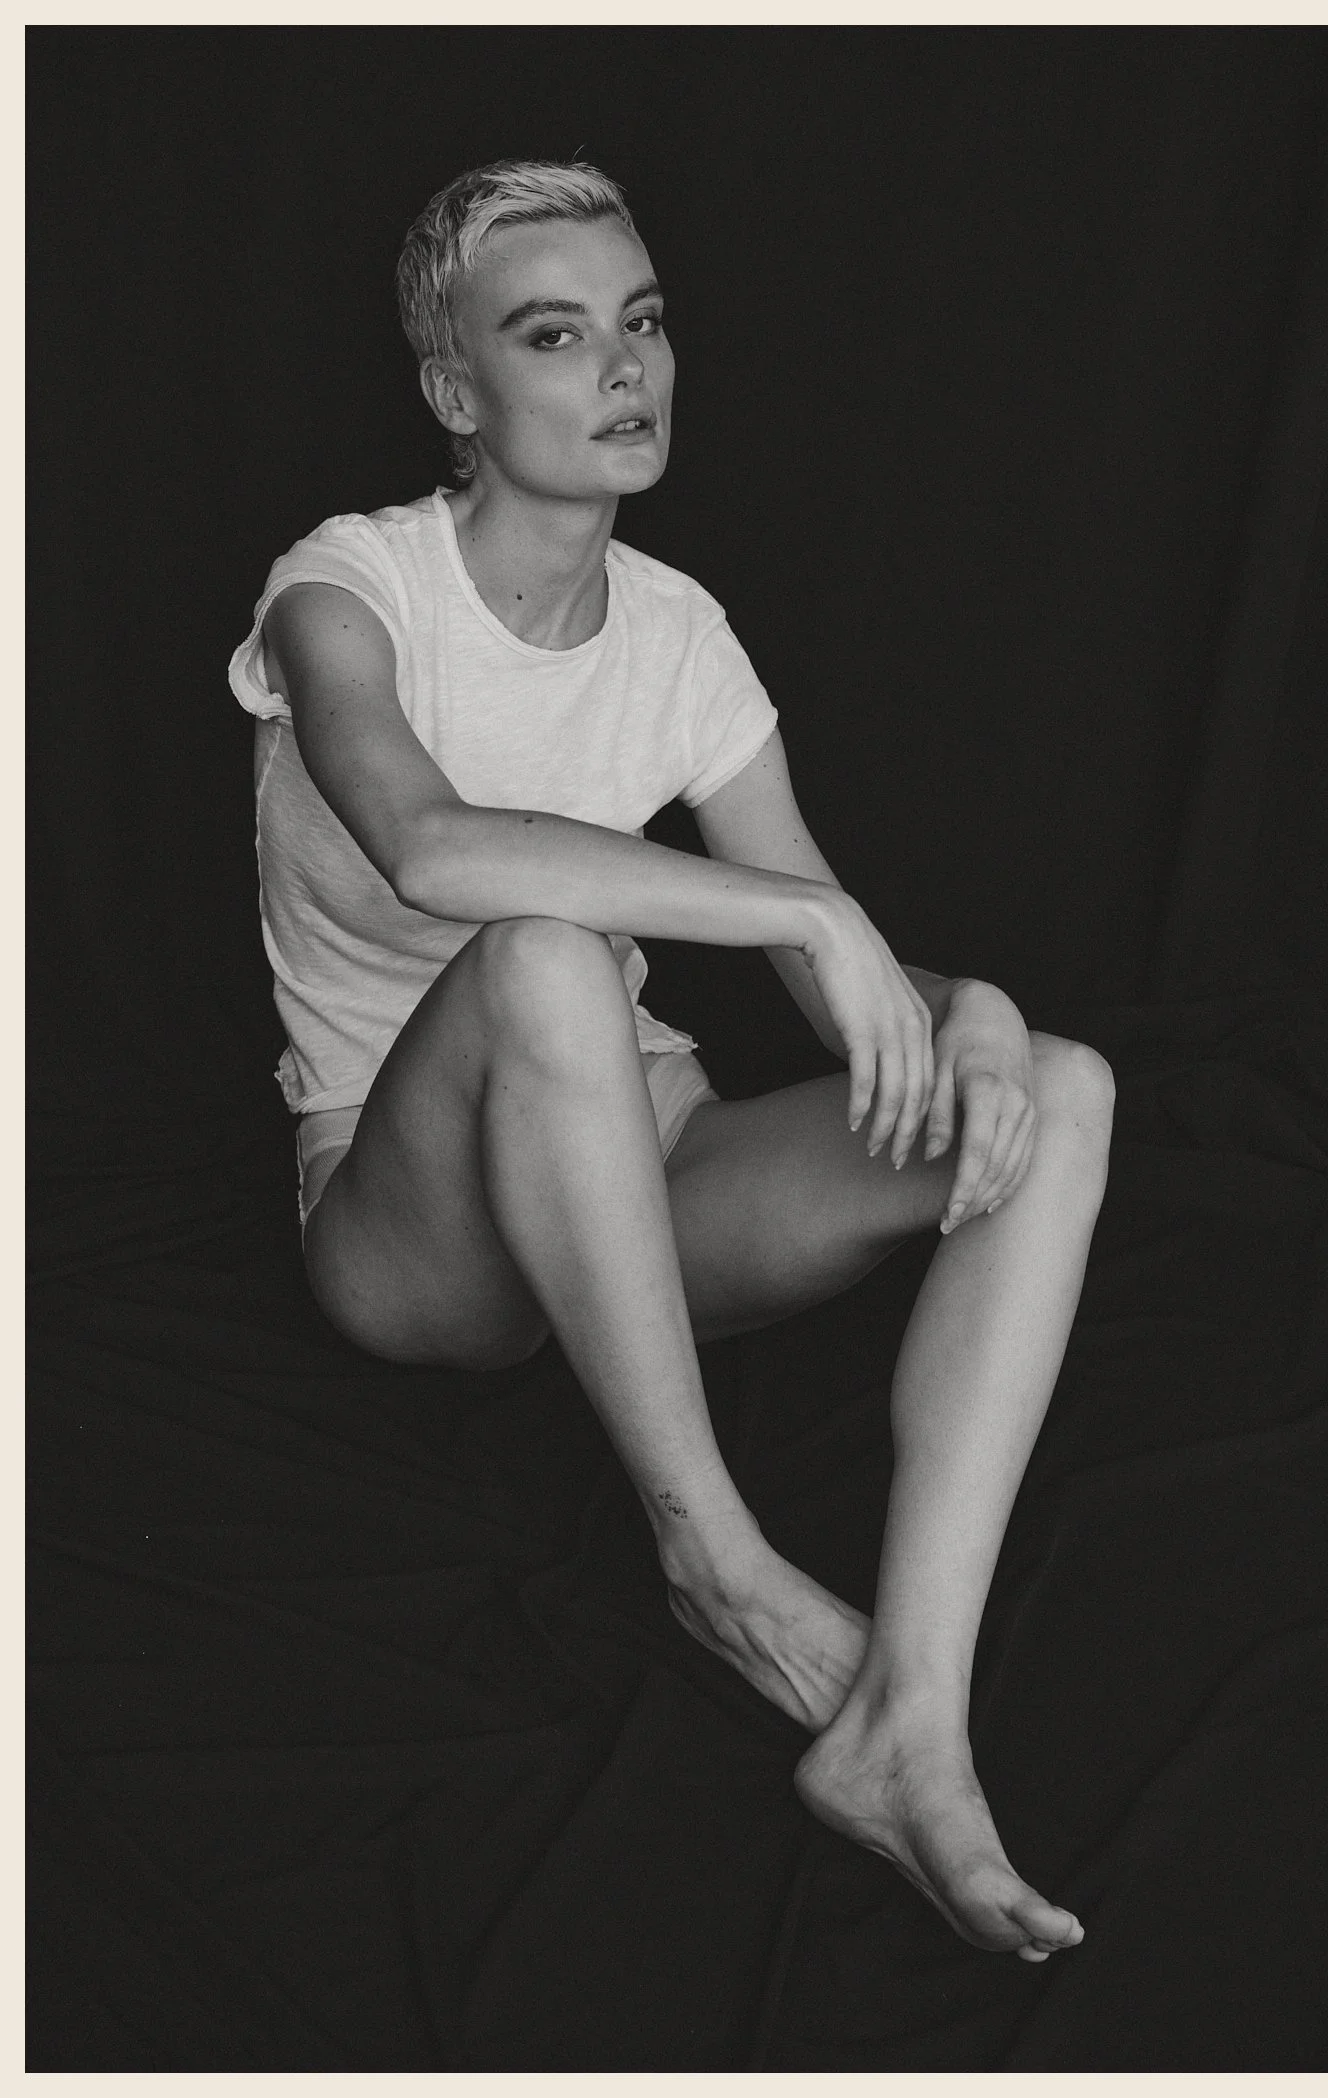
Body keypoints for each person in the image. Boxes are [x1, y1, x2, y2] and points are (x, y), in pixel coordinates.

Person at [228, 159, 1115, 1964]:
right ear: (455, 392)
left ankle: (907, 1718)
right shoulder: (350, 588)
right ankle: (713, 1554)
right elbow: (431, 849)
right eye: (554, 334)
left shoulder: (680, 629)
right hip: (413, 1232)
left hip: (642, 1157)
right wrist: (796, 923)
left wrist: (970, 1007)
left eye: (640, 322)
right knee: (542, 953)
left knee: (1060, 1086)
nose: (623, 368)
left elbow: (832, 946)